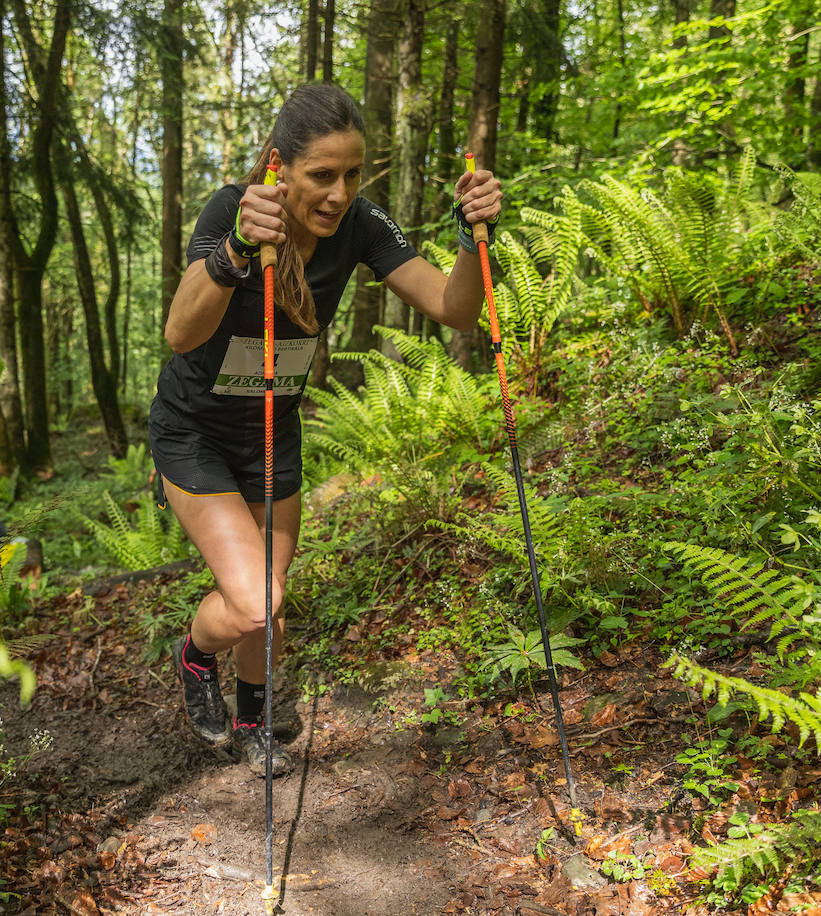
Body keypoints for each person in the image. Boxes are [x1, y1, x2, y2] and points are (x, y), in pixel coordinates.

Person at [151, 84, 502, 777]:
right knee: (257, 605)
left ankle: (252, 719)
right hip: (196, 433)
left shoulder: (363, 225)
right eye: (321, 176)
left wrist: (471, 234)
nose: (339, 193)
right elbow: (180, 331)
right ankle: (194, 655)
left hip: (273, 434)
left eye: (351, 174)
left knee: (269, 612)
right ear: (280, 167)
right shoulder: (234, 208)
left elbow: (455, 308)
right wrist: (235, 251)